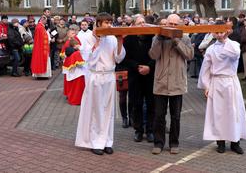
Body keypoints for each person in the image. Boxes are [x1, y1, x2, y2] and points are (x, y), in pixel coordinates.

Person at [75, 12, 125, 156]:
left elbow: (118, 58)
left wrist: (120, 41)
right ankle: (95, 142)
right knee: (97, 111)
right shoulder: (89, 37)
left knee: (108, 111)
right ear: (98, 23)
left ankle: (107, 141)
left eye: (110, 22)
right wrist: (97, 41)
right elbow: (89, 59)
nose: (109, 25)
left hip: (109, 76)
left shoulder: (112, 38)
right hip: (95, 76)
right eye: (106, 22)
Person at [197, 29, 246, 154]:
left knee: (234, 113)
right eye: (217, 32)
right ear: (213, 33)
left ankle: (235, 142)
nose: (219, 34)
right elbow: (205, 68)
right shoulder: (210, 49)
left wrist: (225, 40)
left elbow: (235, 54)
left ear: (226, 32)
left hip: (231, 82)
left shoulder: (234, 45)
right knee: (218, 114)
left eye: (222, 32)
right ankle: (220, 142)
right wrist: (206, 86)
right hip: (217, 82)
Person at [149, 14, 194, 155]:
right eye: (170, 24)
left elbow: (189, 56)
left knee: (176, 116)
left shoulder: (185, 38)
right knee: (159, 115)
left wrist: (177, 41)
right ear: (165, 23)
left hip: (177, 82)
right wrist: (159, 40)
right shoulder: (157, 37)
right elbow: (153, 55)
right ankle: (158, 143)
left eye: (175, 24)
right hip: (161, 82)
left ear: (179, 25)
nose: (172, 27)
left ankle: (174, 143)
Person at [122, 14, 155, 142]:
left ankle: (150, 130)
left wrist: (149, 67)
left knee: (151, 103)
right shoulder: (129, 39)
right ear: (134, 25)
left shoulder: (152, 37)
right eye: (139, 23)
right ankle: (138, 130)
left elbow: (157, 56)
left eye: (143, 22)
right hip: (135, 75)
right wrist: (137, 67)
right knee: (137, 104)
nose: (142, 25)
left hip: (150, 75)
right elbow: (125, 58)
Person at [62, 38, 85, 105]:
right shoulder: (76, 53)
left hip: (71, 74)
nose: (79, 46)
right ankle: (77, 101)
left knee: (73, 89)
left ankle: (72, 100)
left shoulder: (68, 54)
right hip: (78, 74)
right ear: (75, 45)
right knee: (78, 90)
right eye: (78, 44)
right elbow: (79, 64)